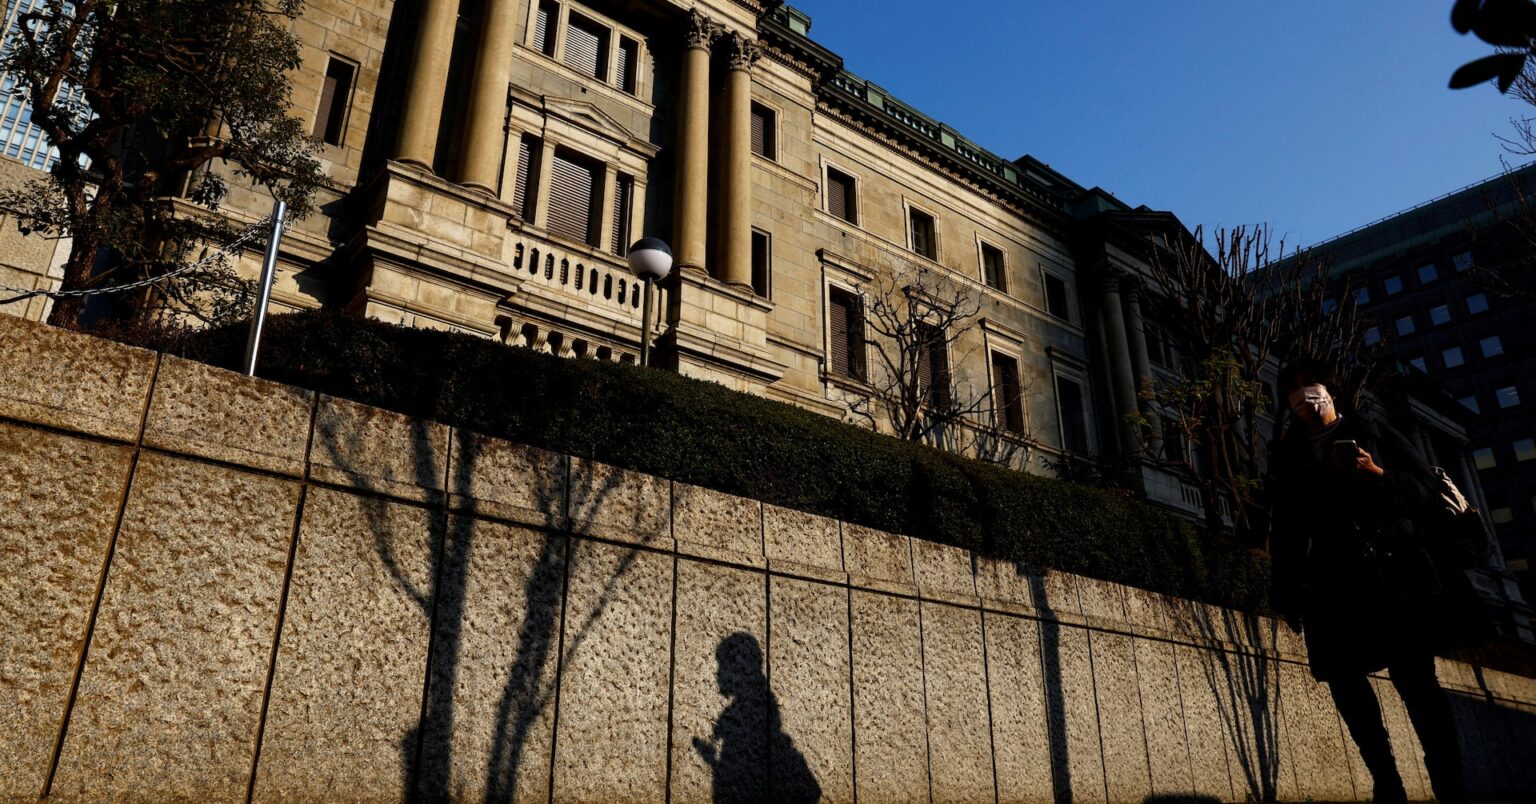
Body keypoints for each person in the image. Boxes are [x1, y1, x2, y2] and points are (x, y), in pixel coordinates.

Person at [1267, 358, 1468, 804]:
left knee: (1417, 683)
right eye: (1293, 388)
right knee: (1345, 682)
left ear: (1331, 390)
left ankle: (1450, 785)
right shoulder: (1287, 453)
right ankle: (1387, 782)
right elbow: (1285, 528)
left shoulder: (1375, 432)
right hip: (1331, 580)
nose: (1303, 394)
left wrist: (1378, 475)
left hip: (1394, 574)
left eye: (1310, 384)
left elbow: (1427, 493)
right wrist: (1284, 588)